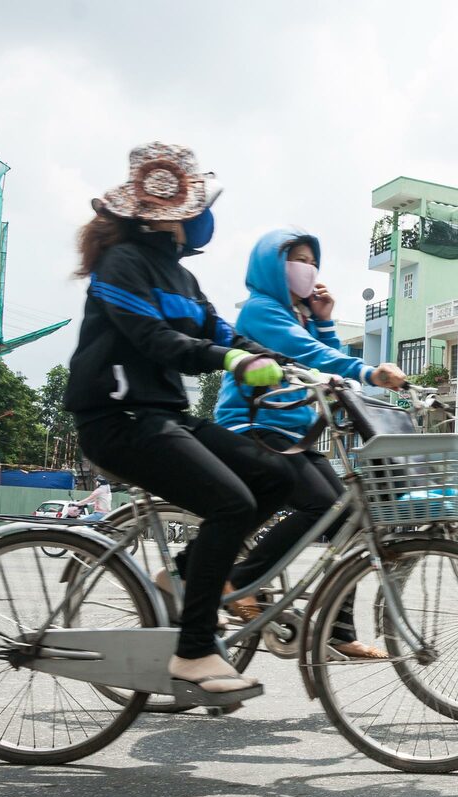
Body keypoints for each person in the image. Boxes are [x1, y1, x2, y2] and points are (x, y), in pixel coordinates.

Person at [64, 142, 291, 697]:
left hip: (162, 415)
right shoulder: (121, 266)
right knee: (230, 503)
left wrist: (276, 360)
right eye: (201, 208)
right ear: (175, 220)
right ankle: (192, 653)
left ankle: (185, 578)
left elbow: (219, 331)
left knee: (276, 478)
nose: (208, 219)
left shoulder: (181, 278)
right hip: (117, 420)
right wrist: (231, 360)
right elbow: (157, 340)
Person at [213, 228, 405, 659]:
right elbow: (314, 356)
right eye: (297, 259)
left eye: (312, 260)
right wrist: (369, 371)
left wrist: (323, 319)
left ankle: (337, 630)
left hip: (296, 435)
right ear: (271, 267)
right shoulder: (262, 312)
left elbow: (325, 360)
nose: (308, 268)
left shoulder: (297, 316)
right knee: (324, 504)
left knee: (350, 518)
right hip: (254, 428)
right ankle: (241, 579)